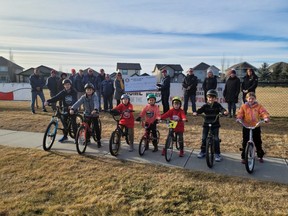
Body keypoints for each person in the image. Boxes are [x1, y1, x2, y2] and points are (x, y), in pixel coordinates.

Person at [194, 89, 228, 162]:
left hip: (215, 124)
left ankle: (217, 153)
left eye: (213, 97)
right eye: (209, 97)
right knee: (204, 138)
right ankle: (203, 151)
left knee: (216, 139)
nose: (211, 99)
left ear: (215, 98)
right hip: (206, 124)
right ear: (207, 98)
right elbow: (200, 110)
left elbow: (221, 109)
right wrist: (196, 112)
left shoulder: (217, 105)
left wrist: (224, 112)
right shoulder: (205, 105)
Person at [237, 92, 270, 163]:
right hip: (246, 126)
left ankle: (260, 155)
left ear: (255, 99)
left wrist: (266, 118)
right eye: (249, 99)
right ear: (246, 99)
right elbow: (240, 113)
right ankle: (243, 157)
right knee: (245, 141)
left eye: (252, 99)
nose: (251, 100)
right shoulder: (244, 106)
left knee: (258, 141)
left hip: (256, 126)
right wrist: (239, 118)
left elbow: (263, 112)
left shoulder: (259, 106)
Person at [70, 83, 102, 148]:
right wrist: (72, 108)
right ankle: (87, 139)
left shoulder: (95, 96)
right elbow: (78, 102)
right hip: (87, 114)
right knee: (85, 127)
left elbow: (96, 102)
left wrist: (95, 109)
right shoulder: (83, 97)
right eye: (87, 90)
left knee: (96, 128)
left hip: (94, 114)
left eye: (90, 90)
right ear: (85, 90)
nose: (89, 91)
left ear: (93, 90)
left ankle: (98, 140)